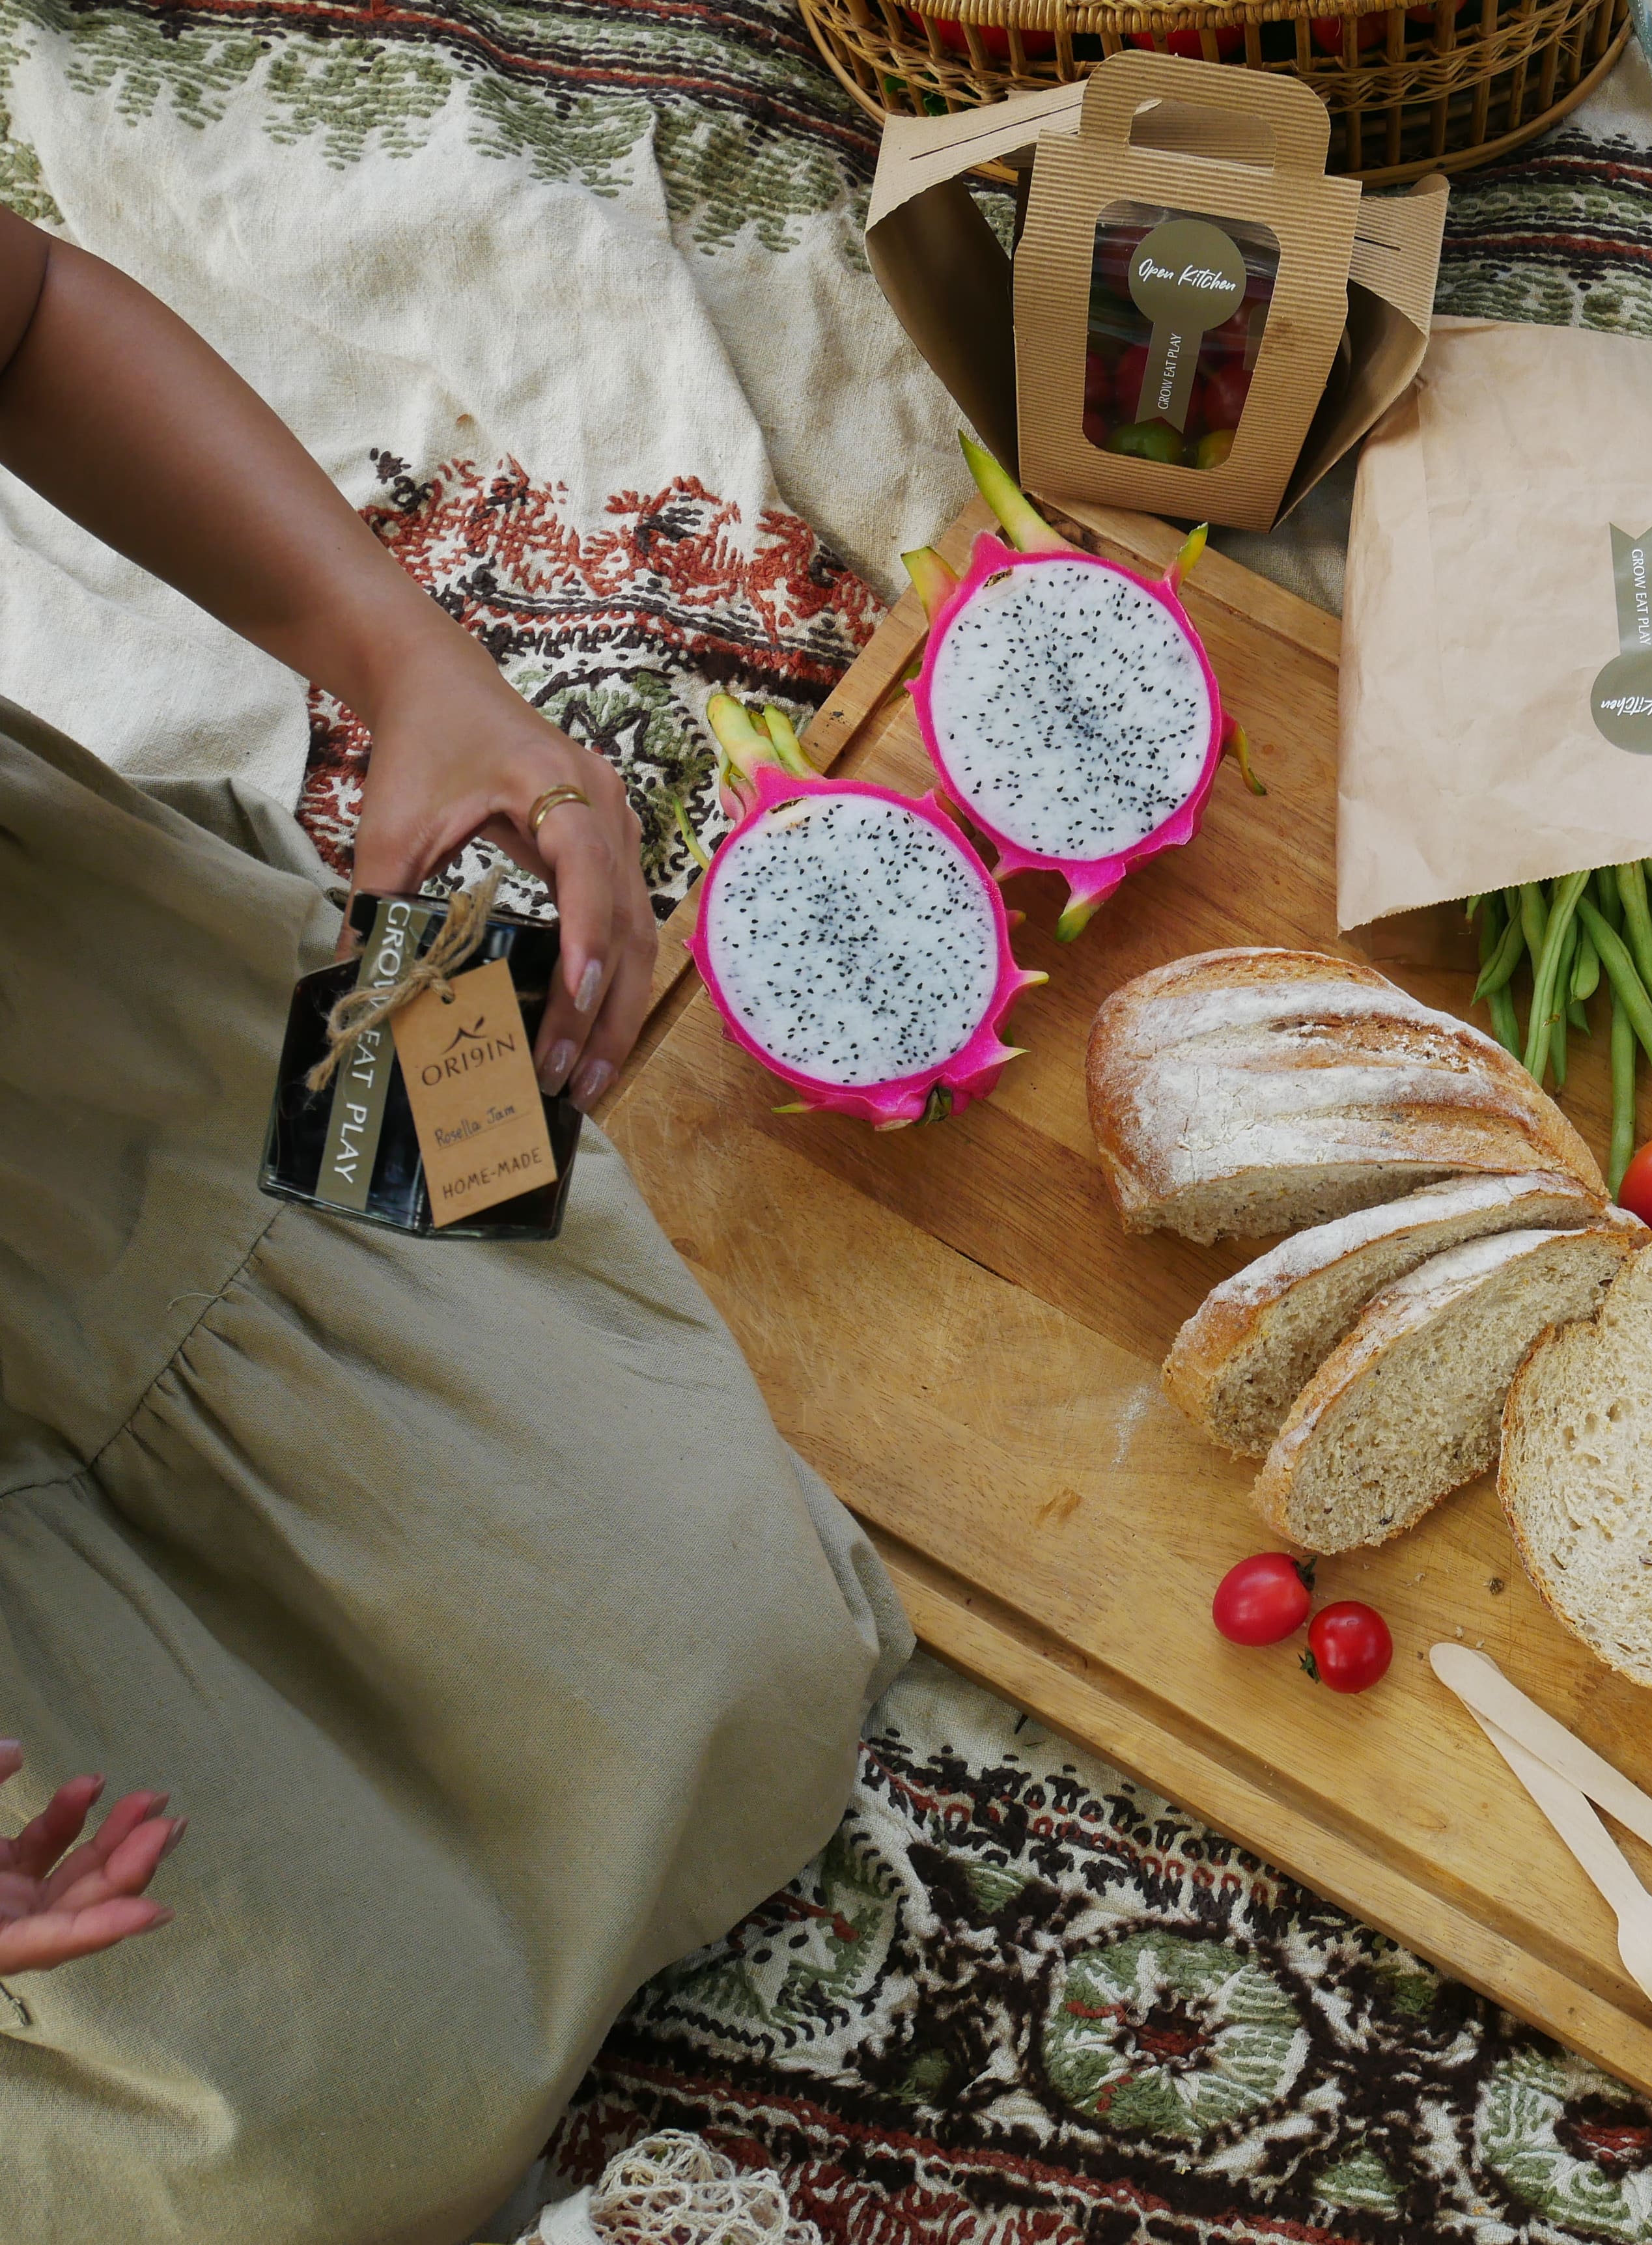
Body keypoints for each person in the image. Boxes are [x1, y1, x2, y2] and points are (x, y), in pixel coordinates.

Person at [0, 208, 908, 2232]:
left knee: (747, 1666)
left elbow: (28, 311)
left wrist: (414, 663)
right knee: (277, 2167)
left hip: (71, 1048)